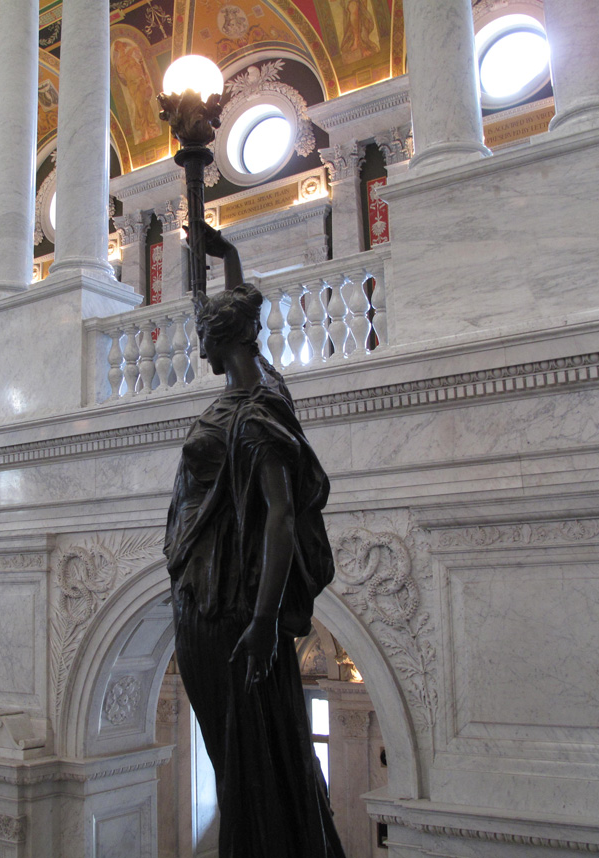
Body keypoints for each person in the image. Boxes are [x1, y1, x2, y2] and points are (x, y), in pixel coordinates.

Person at [164, 226, 346, 858]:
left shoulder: (257, 417)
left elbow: (282, 519)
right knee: (231, 748)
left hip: (228, 608)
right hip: (203, 592)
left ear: (218, 345)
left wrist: (267, 620)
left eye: (203, 336)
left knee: (242, 755)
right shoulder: (261, 383)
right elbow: (238, 307)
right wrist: (226, 255)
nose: (199, 342)